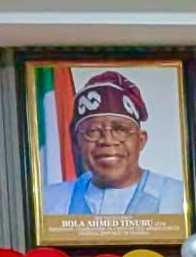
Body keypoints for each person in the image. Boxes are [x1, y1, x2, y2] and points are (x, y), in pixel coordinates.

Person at [40, 69, 186, 219]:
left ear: (140, 140)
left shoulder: (179, 197)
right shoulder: (48, 202)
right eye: (93, 131)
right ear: (77, 142)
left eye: (120, 130)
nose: (108, 140)